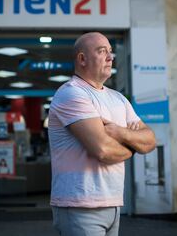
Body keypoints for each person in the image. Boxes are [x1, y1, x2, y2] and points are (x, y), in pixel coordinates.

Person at [48, 32, 156, 236]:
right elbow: (103, 150)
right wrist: (134, 146)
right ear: (82, 59)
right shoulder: (71, 93)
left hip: (113, 204)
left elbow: (150, 139)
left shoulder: (118, 98)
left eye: (111, 52)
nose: (110, 57)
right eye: (102, 51)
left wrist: (119, 132)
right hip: (80, 205)